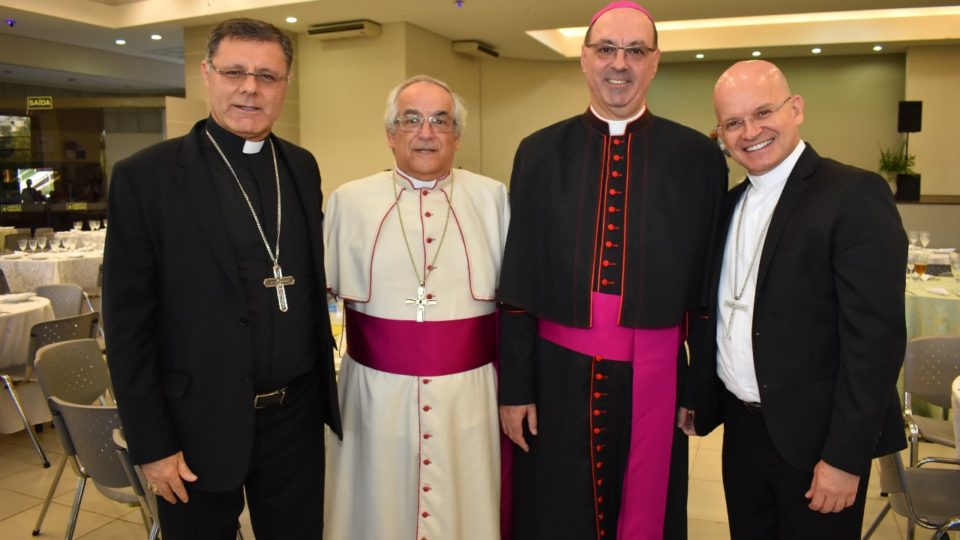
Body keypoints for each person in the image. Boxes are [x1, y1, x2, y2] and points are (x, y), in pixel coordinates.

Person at [103, 18, 341, 540]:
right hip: (195, 425)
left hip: (294, 418)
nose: (250, 88)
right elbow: (126, 326)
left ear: (285, 85)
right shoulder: (146, 177)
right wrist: (152, 444)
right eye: (234, 72)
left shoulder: (300, 166)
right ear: (207, 74)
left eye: (267, 76)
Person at [497, 2, 727, 538]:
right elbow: (519, 281)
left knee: (646, 505)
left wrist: (699, 385)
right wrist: (515, 387)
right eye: (606, 49)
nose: (619, 63)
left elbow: (707, 284)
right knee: (555, 509)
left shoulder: (698, 157)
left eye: (635, 51)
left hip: (656, 375)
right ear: (584, 59)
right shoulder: (538, 152)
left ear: (655, 63)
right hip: (556, 376)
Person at [679, 60, 907, 539]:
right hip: (743, 435)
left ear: (796, 108)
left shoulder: (853, 193)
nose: (751, 132)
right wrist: (697, 396)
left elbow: (875, 342)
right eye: (733, 123)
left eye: (763, 112)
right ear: (719, 133)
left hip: (818, 443)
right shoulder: (729, 204)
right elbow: (716, 315)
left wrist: (844, 458)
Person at [323, 75, 509, 540]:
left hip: (469, 397)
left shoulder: (494, 198)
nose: (426, 132)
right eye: (411, 120)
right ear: (390, 133)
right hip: (373, 397)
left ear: (457, 134)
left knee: (467, 506)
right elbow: (316, 300)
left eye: (440, 121)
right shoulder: (349, 200)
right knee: (375, 511)